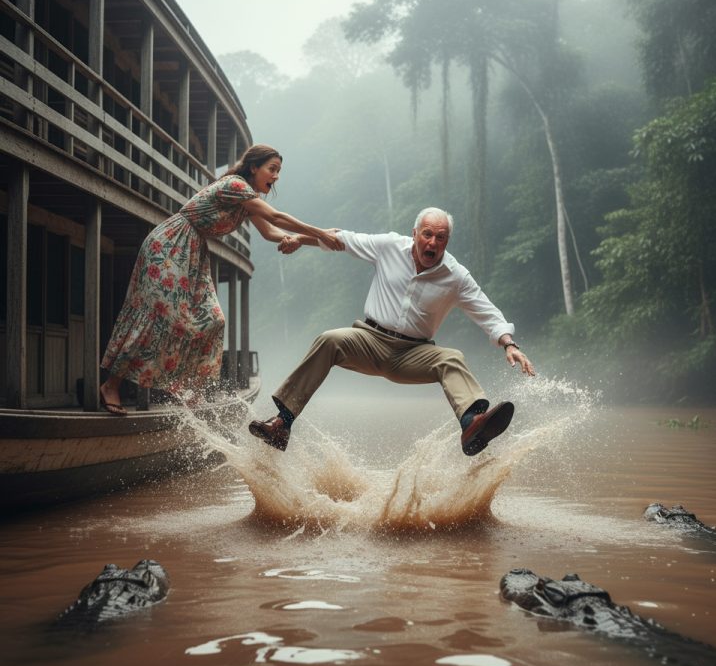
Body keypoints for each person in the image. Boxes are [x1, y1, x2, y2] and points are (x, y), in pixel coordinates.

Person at [249, 207, 535, 456]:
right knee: (329, 340)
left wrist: (509, 344)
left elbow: (486, 311)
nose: (432, 243)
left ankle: (471, 425)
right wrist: (301, 239)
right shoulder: (388, 246)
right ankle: (282, 424)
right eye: (427, 234)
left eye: (440, 237)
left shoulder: (456, 275)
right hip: (369, 341)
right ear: (415, 234)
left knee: (451, 357)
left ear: (447, 241)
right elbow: (339, 239)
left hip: (414, 353)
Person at [99, 144, 341, 415]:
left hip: (194, 253)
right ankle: (112, 385)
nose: (276, 177)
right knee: (159, 314)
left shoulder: (246, 201)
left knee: (213, 319)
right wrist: (321, 232)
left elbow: (271, 231)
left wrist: (315, 240)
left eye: (278, 171)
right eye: (272, 169)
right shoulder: (235, 185)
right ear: (253, 167)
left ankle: (190, 390)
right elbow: (275, 216)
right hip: (170, 244)